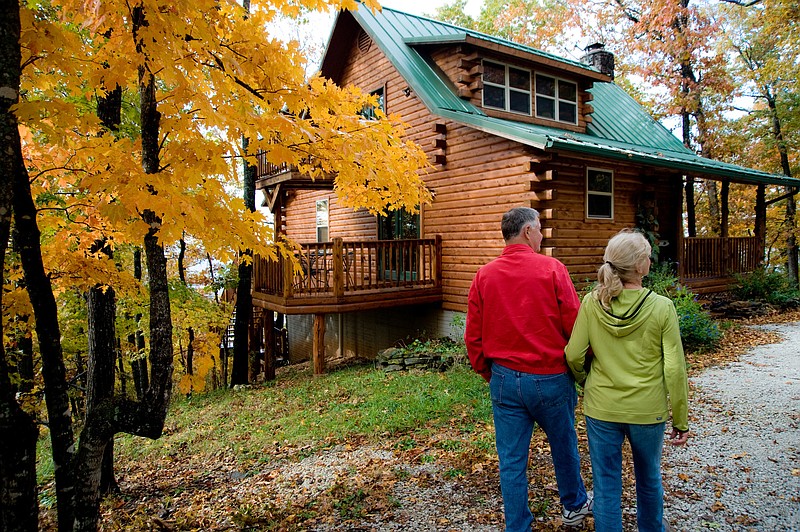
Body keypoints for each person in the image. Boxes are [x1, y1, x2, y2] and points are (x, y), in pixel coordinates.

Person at [465, 207, 592, 531]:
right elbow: (575, 327)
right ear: (526, 231)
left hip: (505, 379)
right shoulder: (552, 269)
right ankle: (574, 506)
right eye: (538, 229)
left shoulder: (484, 275)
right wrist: (581, 368)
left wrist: (489, 373)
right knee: (563, 446)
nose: (541, 235)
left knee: (510, 460)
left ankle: (518, 525)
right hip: (550, 377)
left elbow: (473, 335)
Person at [565, 229, 689, 532]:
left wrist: (586, 380)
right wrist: (681, 418)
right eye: (647, 255)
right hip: (647, 410)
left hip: (602, 407)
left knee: (606, 486)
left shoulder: (593, 303)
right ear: (638, 266)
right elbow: (674, 367)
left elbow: (573, 354)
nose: (650, 259)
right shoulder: (661, 307)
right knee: (649, 480)